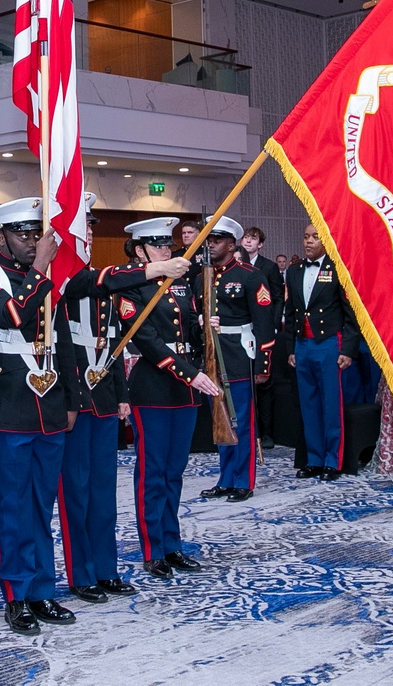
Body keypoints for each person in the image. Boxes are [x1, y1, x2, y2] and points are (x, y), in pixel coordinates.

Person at [57, 194, 189, 603]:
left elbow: (112, 343)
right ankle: (82, 575)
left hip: (103, 397)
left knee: (103, 490)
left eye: (92, 228)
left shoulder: (101, 280)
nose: (89, 235)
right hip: (76, 399)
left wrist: (120, 395)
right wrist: (157, 268)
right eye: (84, 228)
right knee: (76, 491)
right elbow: (68, 346)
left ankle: (106, 568)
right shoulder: (63, 279)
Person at [0, 198, 75, 636]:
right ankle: (16, 594)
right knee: (12, 505)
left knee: (41, 504)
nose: (32, 241)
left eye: (36, 234)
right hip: (7, 405)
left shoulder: (47, 282)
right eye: (22, 234)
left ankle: (42, 589)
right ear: (1, 238)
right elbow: (13, 317)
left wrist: (70, 400)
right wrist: (41, 270)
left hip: (47, 406)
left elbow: (60, 343)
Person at [113, 217, 219, 580]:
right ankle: (152, 549)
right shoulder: (131, 287)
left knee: (175, 472)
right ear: (140, 249)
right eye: (157, 245)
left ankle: (172, 544)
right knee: (153, 473)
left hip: (184, 387)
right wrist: (190, 373)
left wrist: (206, 326)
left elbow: (185, 328)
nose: (165, 250)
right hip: (154, 386)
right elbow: (146, 340)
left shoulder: (180, 283)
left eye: (166, 245)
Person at [200, 217, 275, 502]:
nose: (211, 245)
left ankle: (243, 480)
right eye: (209, 240)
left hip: (239, 354)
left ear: (232, 244)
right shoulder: (201, 276)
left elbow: (265, 322)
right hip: (211, 358)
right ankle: (226, 477)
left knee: (240, 420)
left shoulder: (249, 275)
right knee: (220, 420)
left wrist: (264, 363)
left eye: (217, 240)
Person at [284, 224, 360, 481]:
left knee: (330, 404)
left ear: (326, 240)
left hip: (329, 343)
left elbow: (352, 315)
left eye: (315, 237)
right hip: (302, 344)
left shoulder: (338, 269)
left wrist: (348, 349)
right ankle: (314, 459)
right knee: (308, 404)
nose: (309, 242)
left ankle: (332, 461)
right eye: (306, 237)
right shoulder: (294, 271)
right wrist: (291, 348)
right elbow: (291, 312)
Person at [239, 225, 284, 449]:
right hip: (241, 331)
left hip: (264, 331)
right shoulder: (237, 264)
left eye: (253, 239)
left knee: (264, 383)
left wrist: (273, 326)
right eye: (246, 238)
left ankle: (266, 433)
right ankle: (248, 430)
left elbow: (277, 298)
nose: (248, 242)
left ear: (260, 244)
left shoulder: (269, 266)